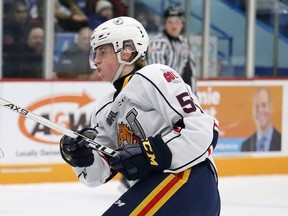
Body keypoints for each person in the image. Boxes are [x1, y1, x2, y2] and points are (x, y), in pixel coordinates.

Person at [59, 16, 220, 215]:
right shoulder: (104, 108)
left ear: (126, 52)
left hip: (188, 179)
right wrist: (79, 156)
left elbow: (204, 131)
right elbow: (96, 176)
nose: (96, 59)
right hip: (154, 185)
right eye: (95, 53)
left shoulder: (153, 75)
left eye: (103, 51)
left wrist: (150, 153)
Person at [147, 5, 197, 94]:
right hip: (157, 93)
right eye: (170, 22)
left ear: (182, 24)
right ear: (164, 24)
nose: (174, 26)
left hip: (175, 92)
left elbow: (190, 72)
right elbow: (157, 74)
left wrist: (192, 95)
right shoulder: (158, 43)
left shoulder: (183, 43)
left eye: (177, 22)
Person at [241, 87, 281, 152]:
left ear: (270, 107)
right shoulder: (245, 146)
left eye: (264, 105)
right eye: (257, 106)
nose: (260, 110)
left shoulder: (283, 141)